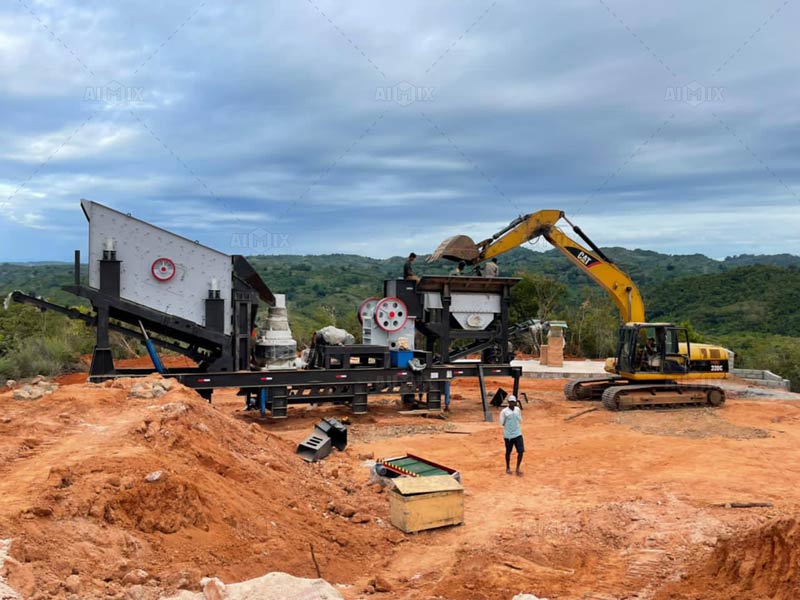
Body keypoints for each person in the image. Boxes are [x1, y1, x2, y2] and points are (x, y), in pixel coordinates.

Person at [499, 395, 524, 476]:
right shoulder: (504, 412)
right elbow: (502, 422)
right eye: (511, 402)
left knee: (521, 451)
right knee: (508, 452)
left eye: (514, 402)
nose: (512, 403)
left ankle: (517, 468)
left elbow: (520, 419)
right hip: (508, 436)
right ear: (508, 402)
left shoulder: (517, 410)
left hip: (518, 433)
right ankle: (508, 467)